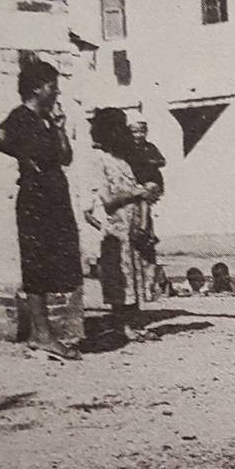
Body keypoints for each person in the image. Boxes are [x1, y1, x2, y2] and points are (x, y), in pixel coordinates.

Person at [0, 55, 83, 360]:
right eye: (52, 86)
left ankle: (39, 334)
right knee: (36, 264)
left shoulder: (48, 120)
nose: (56, 92)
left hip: (55, 195)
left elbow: (66, 157)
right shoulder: (21, 116)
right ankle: (43, 336)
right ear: (35, 89)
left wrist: (59, 128)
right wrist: (23, 155)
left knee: (54, 260)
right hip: (35, 196)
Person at [84, 107, 160, 342]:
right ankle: (122, 326)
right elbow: (108, 201)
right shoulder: (100, 161)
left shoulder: (125, 160)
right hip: (116, 229)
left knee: (135, 276)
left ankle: (134, 323)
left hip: (134, 226)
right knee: (120, 278)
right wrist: (137, 192)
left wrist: (149, 191)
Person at [125, 115, 166, 302]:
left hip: (151, 184)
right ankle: (143, 227)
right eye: (134, 131)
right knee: (142, 202)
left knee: (145, 198)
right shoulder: (129, 149)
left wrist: (148, 162)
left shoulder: (149, 148)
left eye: (141, 131)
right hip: (138, 187)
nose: (138, 135)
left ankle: (143, 227)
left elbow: (161, 161)